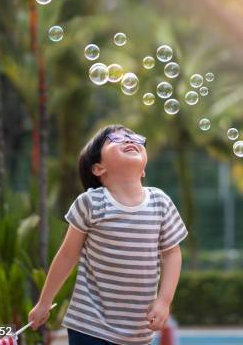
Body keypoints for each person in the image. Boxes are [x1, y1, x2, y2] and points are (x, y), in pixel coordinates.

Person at [28, 124, 188, 345]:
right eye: (115, 139)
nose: (130, 140)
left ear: (143, 170)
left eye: (134, 137)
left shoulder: (160, 202)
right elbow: (67, 255)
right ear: (98, 168)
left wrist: (164, 301)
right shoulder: (91, 203)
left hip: (137, 331)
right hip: (89, 324)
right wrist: (44, 302)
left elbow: (172, 254)